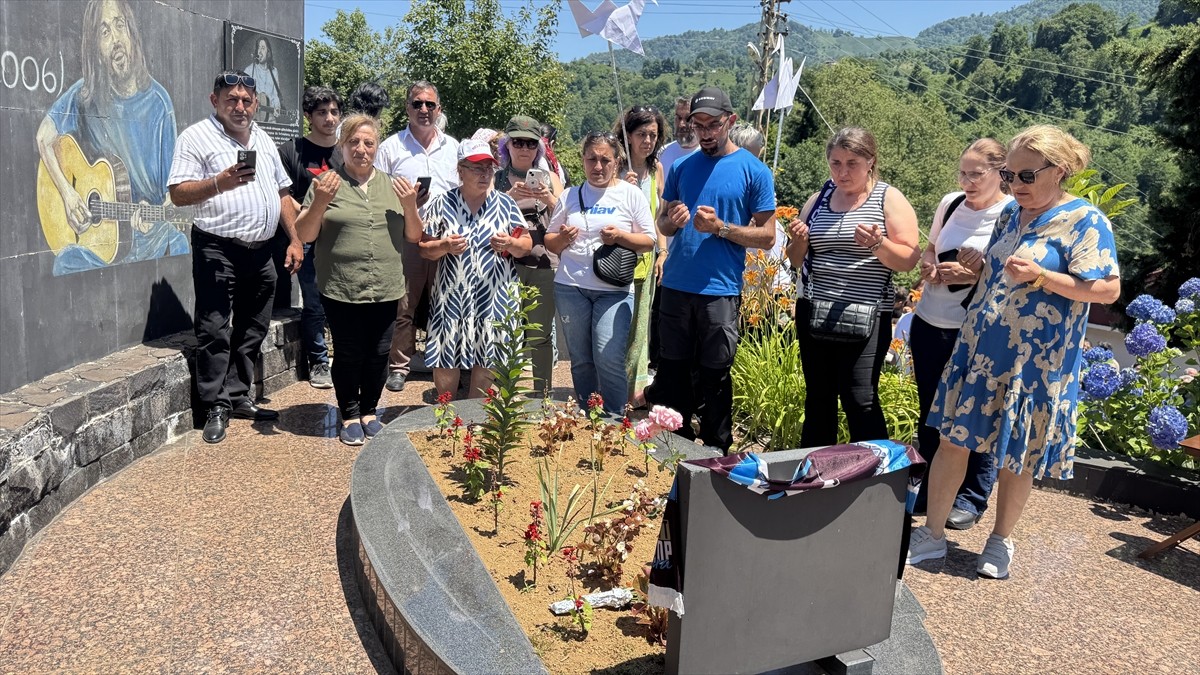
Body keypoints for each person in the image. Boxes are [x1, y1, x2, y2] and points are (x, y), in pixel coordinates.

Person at [907, 125, 1120, 580]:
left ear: (1058, 171)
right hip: (981, 346)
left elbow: (1106, 290)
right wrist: (978, 266)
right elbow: (999, 272)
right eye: (1008, 176)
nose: (1015, 186)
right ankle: (933, 534)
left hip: (1037, 362)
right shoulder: (1011, 215)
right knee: (952, 440)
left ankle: (1001, 541)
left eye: (1025, 176)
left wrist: (1043, 277)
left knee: (1018, 453)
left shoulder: (1086, 221)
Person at [168, 71, 304, 444]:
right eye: (232, 100)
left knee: (254, 326)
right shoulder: (196, 137)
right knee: (214, 328)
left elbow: (281, 194)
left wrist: (294, 239)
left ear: (255, 103)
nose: (240, 106)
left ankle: (238, 394)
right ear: (215, 101)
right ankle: (214, 405)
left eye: (246, 100)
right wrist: (219, 183)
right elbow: (178, 193)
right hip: (217, 247)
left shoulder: (262, 137)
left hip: (261, 251)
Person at [646, 87, 776, 450]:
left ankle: (716, 453)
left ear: (730, 122)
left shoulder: (755, 171)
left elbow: (767, 237)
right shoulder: (682, 167)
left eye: (712, 125)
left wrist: (721, 228)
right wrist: (672, 219)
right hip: (675, 285)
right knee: (671, 370)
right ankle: (671, 449)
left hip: (719, 289)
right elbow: (663, 223)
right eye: (696, 124)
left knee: (715, 374)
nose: (704, 132)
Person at [785, 126, 920, 447]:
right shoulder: (818, 199)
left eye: (852, 164)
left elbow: (908, 259)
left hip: (868, 314)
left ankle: (877, 479)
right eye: (835, 163)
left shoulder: (889, 198)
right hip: (815, 310)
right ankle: (815, 476)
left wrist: (878, 244)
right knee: (818, 399)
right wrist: (799, 241)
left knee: (860, 398)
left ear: (870, 162)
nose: (842, 172)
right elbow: (794, 261)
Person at [36, 0, 189, 276]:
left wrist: (154, 216)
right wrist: (68, 194)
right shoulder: (84, 96)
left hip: (149, 243)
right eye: (104, 32)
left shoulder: (159, 103)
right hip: (99, 249)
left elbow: (173, 197)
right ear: (95, 46)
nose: (116, 39)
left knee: (179, 246)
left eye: (120, 26)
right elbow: (43, 137)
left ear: (131, 32)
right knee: (63, 264)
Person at [295, 114, 422, 445]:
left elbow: (414, 236)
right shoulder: (325, 183)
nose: (361, 149)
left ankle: (370, 411)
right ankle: (349, 413)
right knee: (350, 352)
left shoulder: (394, 186)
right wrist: (321, 200)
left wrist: (410, 206)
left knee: (380, 353)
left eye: (368, 143)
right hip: (342, 286)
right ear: (342, 146)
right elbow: (305, 233)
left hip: (386, 285)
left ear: (377, 146)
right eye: (354, 142)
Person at [909, 139, 1011, 529]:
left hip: (976, 328)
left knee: (976, 411)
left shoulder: (1010, 213)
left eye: (976, 174)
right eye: (963, 173)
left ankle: (971, 496)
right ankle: (934, 489)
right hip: (929, 318)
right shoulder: (950, 203)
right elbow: (930, 248)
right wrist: (931, 268)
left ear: (1000, 173)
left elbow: (1008, 274)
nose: (967, 181)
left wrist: (976, 273)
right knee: (931, 409)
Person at [546, 132, 655, 415]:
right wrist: (563, 239)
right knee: (581, 359)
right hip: (571, 286)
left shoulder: (630, 194)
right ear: (582, 161)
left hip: (614, 290)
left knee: (608, 355)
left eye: (605, 160)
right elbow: (550, 240)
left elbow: (648, 241)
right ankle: (588, 414)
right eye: (591, 159)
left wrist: (619, 236)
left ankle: (616, 418)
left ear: (616, 162)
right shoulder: (570, 195)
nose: (598, 166)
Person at [415, 139, 533, 398]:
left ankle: (473, 416)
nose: (484, 174)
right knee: (446, 359)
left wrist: (510, 243)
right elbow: (424, 247)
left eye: (489, 169)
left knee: (488, 357)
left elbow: (526, 245)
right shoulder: (441, 203)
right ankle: (446, 414)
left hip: (495, 297)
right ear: (460, 170)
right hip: (451, 297)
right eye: (477, 168)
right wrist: (444, 245)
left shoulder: (505, 204)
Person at [375, 81, 461, 393]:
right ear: (407, 108)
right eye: (417, 104)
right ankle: (400, 366)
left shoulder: (454, 148)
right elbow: (376, 191)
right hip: (407, 236)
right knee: (405, 305)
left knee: (446, 303)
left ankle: (445, 362)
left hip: (445, 238)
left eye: (430, 105)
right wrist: (407, 202)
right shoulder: (390, 148)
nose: (423, 110)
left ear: (439, 109)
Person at [277, 86, 343, 390]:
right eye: (321, 112)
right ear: (308, 116)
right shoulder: (291, 151)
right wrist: (307, 217)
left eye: (333, 112)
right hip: (307, 238)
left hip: (342, 240)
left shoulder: (346, 151)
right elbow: (283, 195)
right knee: (314, 304)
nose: (329, 118)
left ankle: (344, 359)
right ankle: (318, 362)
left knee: (343, 304)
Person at [494, 115, 565, 396]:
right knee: (504, 331)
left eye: (530, 143)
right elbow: (484, 216)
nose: (524, 148)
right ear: (507, 145)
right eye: (517, 142)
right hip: (504, 265)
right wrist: (508, 197)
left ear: (539, 148)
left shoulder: (552, 179)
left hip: (543, 263)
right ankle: (503, 394)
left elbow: (567, 214)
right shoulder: (496, 179)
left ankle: (542, 395)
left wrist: (548, 197)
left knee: (540, 335)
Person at [613, 106, 668, 405]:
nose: (647, 140)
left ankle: (633, 391)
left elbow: (659, 214)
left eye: (653, 135)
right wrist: (623, 188)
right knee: (615, 325)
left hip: (645, 259)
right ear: (628, 136)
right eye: (641, 134)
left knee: (640, 328)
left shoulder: (657, 168)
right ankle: (609, 387)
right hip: (615, 259)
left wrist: (663, 250)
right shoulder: (615, 166)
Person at [649, 96, 700, 364]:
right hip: (666, 243)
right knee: (661, 313)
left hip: (699, 248)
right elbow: (660, 208)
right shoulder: (664, 155)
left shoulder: (707, 152)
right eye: (678, 118)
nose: (683, 124)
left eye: (688, 118)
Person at [244, 37, 283, 123]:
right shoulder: (249, 70)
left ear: (268, 51)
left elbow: (276, 95)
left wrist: (277, 106)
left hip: (270, 118)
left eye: (263, 48)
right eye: (258, 47)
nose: (259, 51)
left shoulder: (274, 71)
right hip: (254, 118)